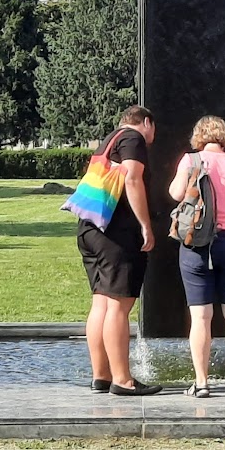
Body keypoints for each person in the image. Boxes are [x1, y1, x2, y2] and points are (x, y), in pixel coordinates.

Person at [169, 116, 225, 399]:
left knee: (200, 316)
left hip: (197, 243)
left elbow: (175, 194)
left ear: (199, 136)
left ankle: (202, 382)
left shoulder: (190, 160)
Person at [79, 106, 164, 397]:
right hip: (118, 234)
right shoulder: (133, 138)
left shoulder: (110, 139)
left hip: (91, 228)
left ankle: (100, 375)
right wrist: (145, 225)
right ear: (147, 122)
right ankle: (123, 379)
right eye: (154, 128)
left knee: (101, 303)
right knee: (119, 306)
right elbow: (132, 178)